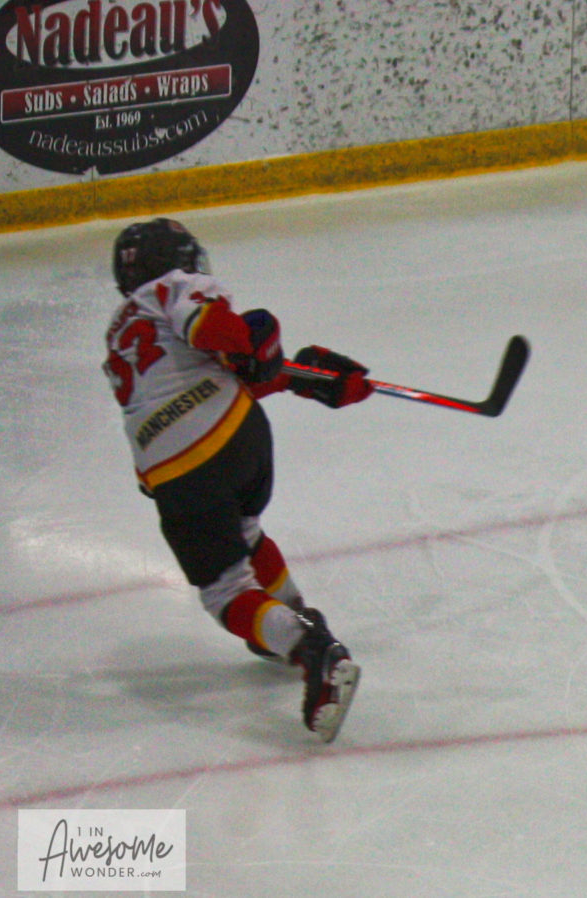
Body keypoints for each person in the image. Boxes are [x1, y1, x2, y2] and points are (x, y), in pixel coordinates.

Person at [102, 218, 370, 742]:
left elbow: (195, 366)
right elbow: (219, 343)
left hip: (178, 466)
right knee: (244, 531)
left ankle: (307, 645)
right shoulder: (177, 286)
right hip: (243, 436)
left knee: (224, 590)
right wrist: (297, 376)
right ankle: (296, 614)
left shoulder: (119, 333)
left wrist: (269, 358)